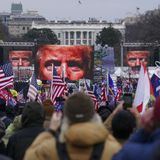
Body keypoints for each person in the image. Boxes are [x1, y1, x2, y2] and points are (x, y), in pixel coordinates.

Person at [24, 92, 121, 160]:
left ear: (66, 118)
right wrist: (102, 128)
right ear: (94, 116)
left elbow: (29, 156)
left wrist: (50, 131)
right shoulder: (113, 149)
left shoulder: (49, 149)